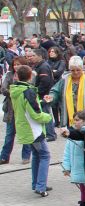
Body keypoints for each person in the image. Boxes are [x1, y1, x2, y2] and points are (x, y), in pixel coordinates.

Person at [10, 65, 53, 196]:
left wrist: (41, 102)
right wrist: (48, 117)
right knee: (45, 155)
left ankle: (37, 183)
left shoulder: (16, 90)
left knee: (36, 155)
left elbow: (28, 106)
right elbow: (36, 114)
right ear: (30, 76)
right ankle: (40, 186)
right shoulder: (28, 92)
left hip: (24, 127)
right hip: (33, 129)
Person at [1, 57, 31, 165]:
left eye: (18, 64)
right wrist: (14, 93)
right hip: (11, 110)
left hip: (24, 109)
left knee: (25, 133)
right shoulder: (9, 75)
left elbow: (31, 88)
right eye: (14, 64)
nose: (16, 66)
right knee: (9, 134)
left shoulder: (28, 75)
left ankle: (26, 156)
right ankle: (4, 157)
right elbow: (3, 89)